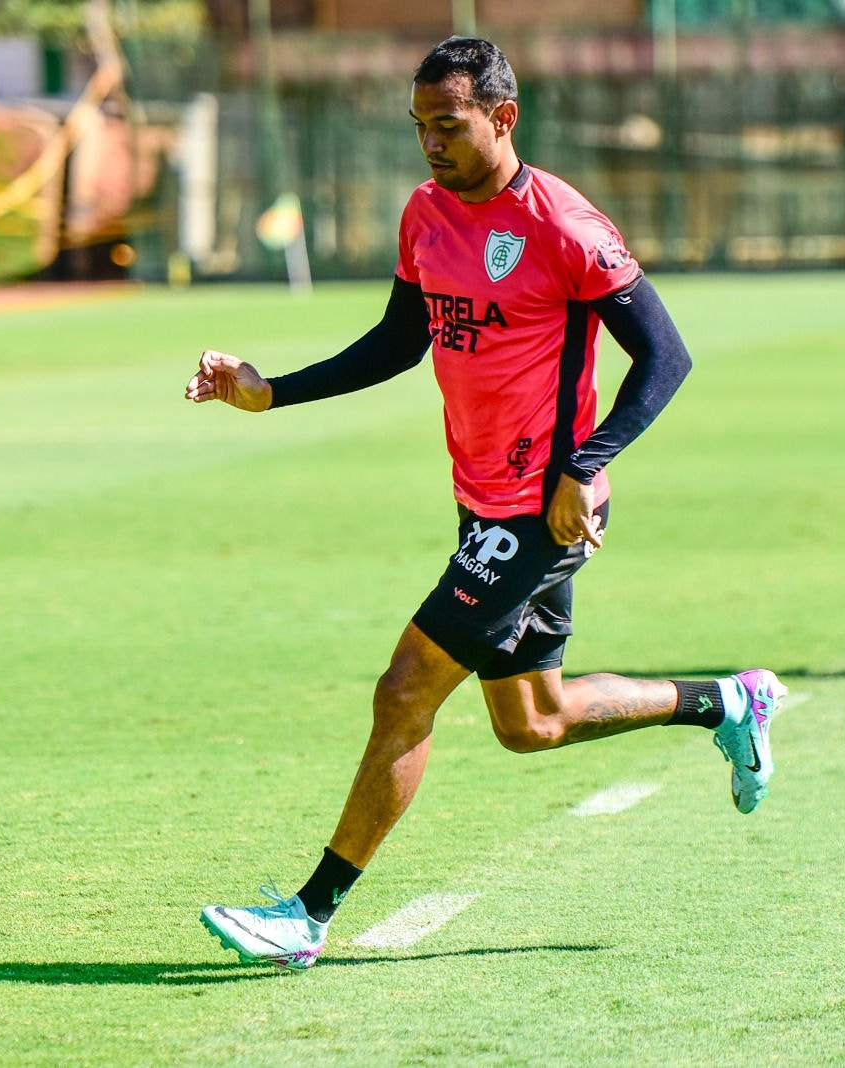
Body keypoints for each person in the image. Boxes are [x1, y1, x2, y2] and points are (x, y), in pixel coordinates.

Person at [186, 37, 786, 971]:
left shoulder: (567, 225)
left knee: (405, 692)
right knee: (531, 722)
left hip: (541, 512)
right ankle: (725, 703)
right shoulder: (426, 213)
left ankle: (306, 915)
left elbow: (666, 357)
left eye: (448, 124)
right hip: (482, 506)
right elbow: (397, 342)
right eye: (419, 125)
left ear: (502, 118)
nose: (429, 142)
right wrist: (272, 391)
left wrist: (583, 468)